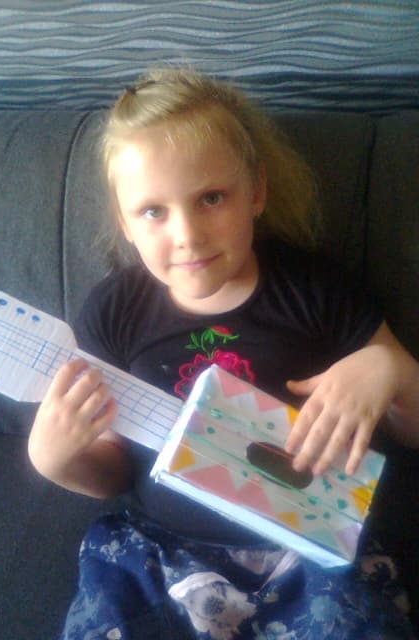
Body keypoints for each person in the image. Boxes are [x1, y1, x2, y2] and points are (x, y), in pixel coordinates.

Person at [28, 68, 419, 639]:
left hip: (310, 550)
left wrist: (388, 372)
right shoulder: (114, 311)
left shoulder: (315, 291)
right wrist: (58, 461)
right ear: (124, 222)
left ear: (255, 192)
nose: (187, 234)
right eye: (153, 211)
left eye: (211, 198)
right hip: (164, 550)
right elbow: (114, 470)